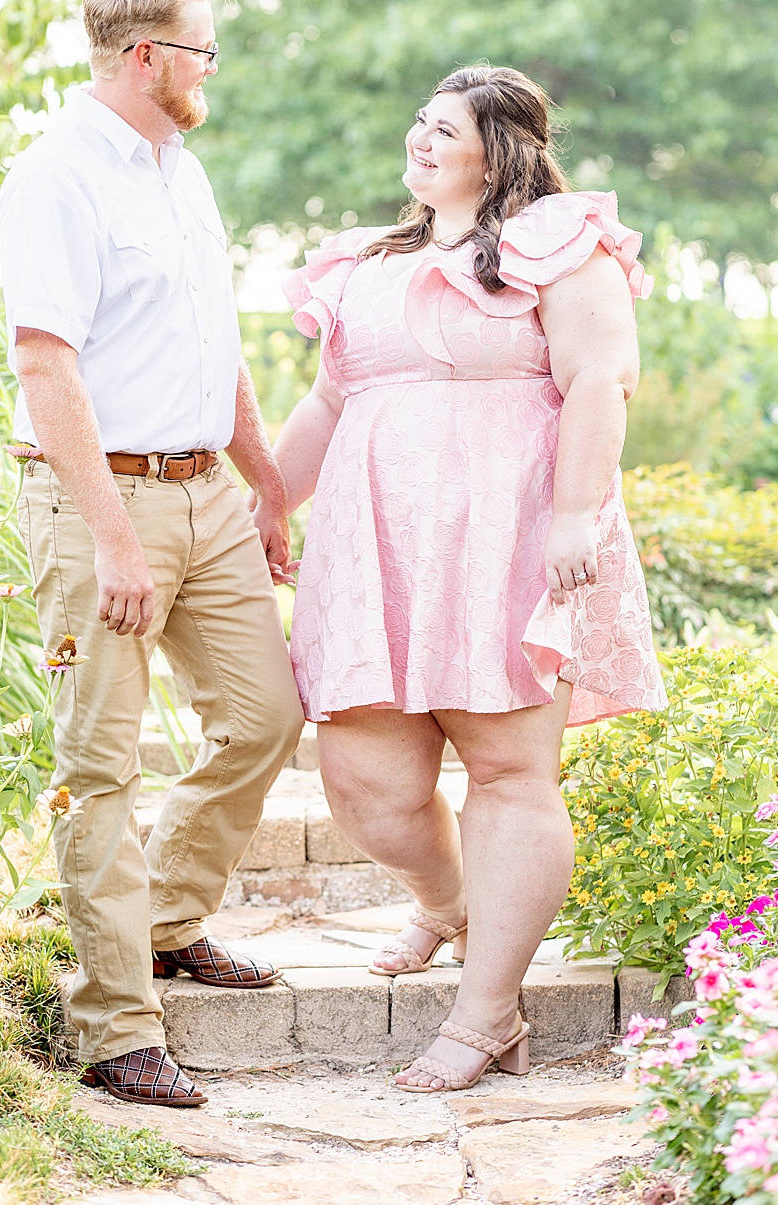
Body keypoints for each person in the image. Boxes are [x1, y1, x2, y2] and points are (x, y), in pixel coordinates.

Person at [274, 65, 666, 1093]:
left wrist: (577, 511)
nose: (418, 139)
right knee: (366, 782)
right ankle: (450, 903)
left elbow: (598, 377)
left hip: (508, 530)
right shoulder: (368, 258)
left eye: (441, 128)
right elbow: (326, 404)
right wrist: (269, 503)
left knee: (506, 772)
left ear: (498, 148)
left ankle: (489, 1008)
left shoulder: (558, 240)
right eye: (416, 121)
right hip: (374, 546)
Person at [0, 0, 305, 1108]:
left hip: (205, 492)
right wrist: (113, 534)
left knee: (266, 716)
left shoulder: (185, 173)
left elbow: (212, 347)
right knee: (100, 764)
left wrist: (264, 482)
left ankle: (167, 920)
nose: (209, 69)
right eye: (202, 51)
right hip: (98, 501)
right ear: (146, 58)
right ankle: (117, 1024)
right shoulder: (57, 179)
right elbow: (45, 362)